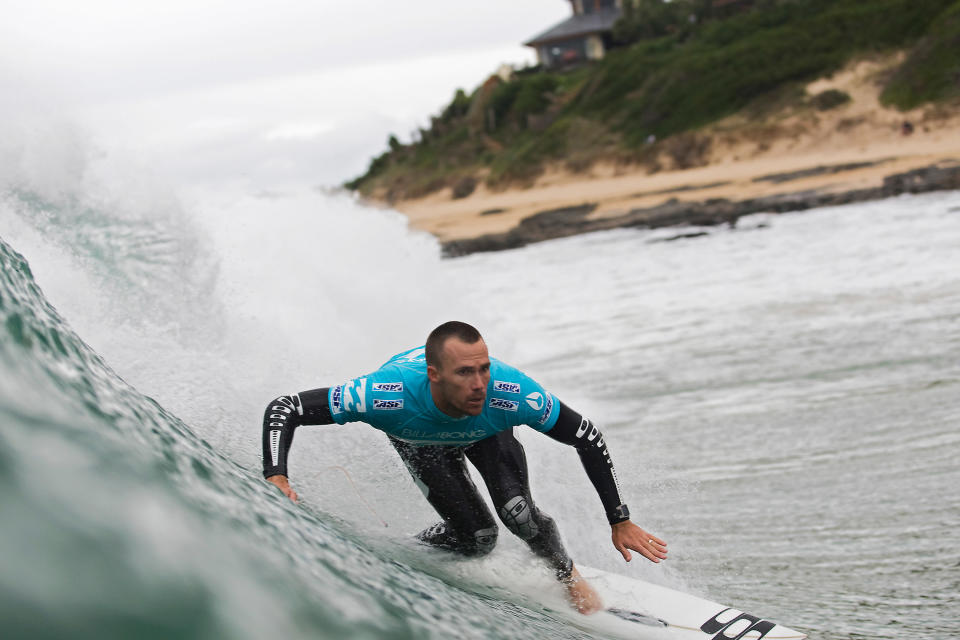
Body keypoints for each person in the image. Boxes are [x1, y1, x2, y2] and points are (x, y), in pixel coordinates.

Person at [261, 321, 667, 614]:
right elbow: (286, 407)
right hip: (421, 440)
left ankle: (567, 576)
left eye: (484, 368)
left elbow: (588, 437)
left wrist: (620, 519)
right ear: (434, 374)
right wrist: (276, 476)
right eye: (465, 372)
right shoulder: (384, 394)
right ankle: (415, 550)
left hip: (487, 432)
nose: (479, 384)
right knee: (478, 539)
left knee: (519, 514)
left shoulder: (510, 394)